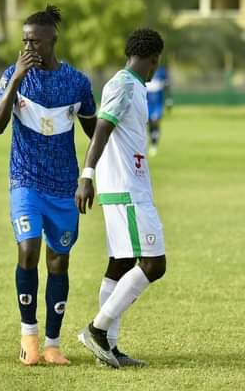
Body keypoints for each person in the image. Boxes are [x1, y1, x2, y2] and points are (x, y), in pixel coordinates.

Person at [0, 5, 97, 366]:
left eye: (34, 40)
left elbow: (95, 134)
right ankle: (29, 336)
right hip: (25, 181)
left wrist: (89, 176)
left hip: (64, 187)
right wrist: (16, 79)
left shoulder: (77, 83)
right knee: (28, 249)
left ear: (53, 40)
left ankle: (53, 344)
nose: (27, 46)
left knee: (58, 261)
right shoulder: (13, 75)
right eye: (24, 41)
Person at [75, 28, 167, 368]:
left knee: (122, 264)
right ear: (154, 59)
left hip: (129, 187)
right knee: (154, 264)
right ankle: (97, 331)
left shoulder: (134, 87)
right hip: (128, 191)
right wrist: (86, 176)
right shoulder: (125, 85)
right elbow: (101, 130)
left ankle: (108, 349)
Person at [146, 62, 172, 157]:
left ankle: (154, 144)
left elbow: (167, 85)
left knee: (155, 121)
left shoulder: (162, 71)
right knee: (149, 122)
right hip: (147, 102)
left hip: (158, 102)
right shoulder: (145, 69)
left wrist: (169, 100)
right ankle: (151, 140)